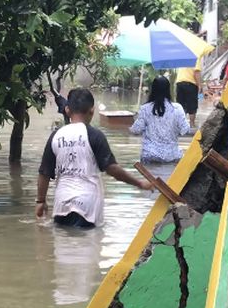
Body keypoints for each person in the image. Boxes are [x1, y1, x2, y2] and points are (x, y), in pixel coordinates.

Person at [36, 88, 151, 228]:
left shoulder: (56, 136)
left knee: (63, 246)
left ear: (67, 110)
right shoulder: (95, 136)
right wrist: (139, 183)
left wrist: (40, 201)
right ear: (92, 110)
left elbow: (44, 172)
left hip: (61, 204)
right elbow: (112, 169)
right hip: (87, 205)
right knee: (88, 245)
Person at [130, 76, 195, 164]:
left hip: (150, 155)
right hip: (172, 156)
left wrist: (133, 123)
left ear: (153, 90)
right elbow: (185, 130)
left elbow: (136, 130)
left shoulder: (145, 108)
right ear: (168, 90)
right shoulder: (177, 108)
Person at [174, 60, 201, 128]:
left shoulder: (183, 60)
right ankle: (192, 124)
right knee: (192, 105)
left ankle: (180, 124)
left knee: (181, 105)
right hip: (190, 84)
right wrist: (200, 85)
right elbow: (196, 73)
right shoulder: (195, 59)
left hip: (179, 83)